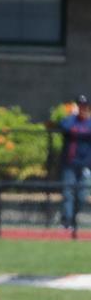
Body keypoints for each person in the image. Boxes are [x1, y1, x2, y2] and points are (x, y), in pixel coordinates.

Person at [59, 94, 91, 229]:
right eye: (80, 106)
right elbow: (64, 126)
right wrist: (72, 116)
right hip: (70, 164)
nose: (82, 109)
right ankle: (67, 222)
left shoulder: (89, 122)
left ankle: (72, 218)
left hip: (86, 165)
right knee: (68, 193)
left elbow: (85, 131)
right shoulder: (70, 120)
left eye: (84, 106)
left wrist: (77, 131)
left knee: (82, 195)